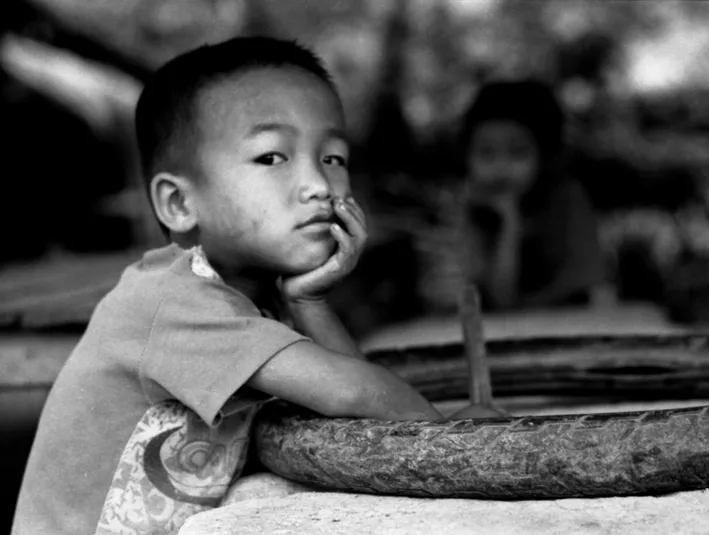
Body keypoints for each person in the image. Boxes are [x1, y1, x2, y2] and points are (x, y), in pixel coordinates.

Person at [12, 37, 500, 535]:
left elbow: (359, 418)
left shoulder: (249, 298)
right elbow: (355, 393)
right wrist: (464, 445)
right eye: (271, 157)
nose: (319, 185)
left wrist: (308, 300)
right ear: (180, 203)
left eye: (333, 158)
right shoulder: (174, 302)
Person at [419, 79, 606, 312]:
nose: (501, 167)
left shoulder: (567, 201)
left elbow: (589, 290)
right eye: (486, 153)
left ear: (543, 156)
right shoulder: (462, 207)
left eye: (518, 153)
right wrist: (507, 226)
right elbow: (489, 298)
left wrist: (510, 222)